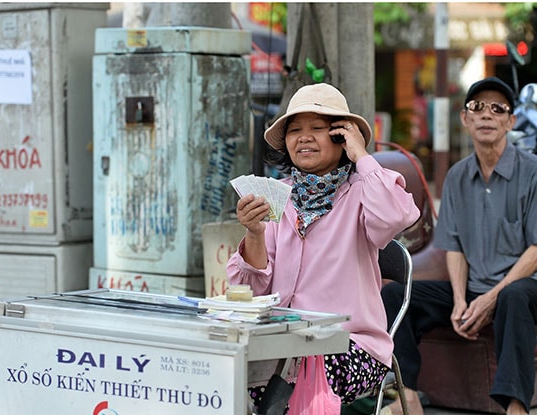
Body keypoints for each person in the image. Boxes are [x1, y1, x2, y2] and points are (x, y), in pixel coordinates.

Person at [226, 83, 420, 410]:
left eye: (317, 128)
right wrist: (255, 234)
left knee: (294, 379)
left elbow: (397, 215)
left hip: (351, 345)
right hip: (282, 343)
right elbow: (250, 294)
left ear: (340, 137)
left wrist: (361, 156)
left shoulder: (362, 192)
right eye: (295, 130)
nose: (304, 137)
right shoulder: (274, 196)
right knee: (225, 369)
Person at [381, 77, 537, 415]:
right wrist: (459, 300)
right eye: (477, 107)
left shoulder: (532, 172)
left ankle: (516, 407)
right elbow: (453, 247)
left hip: (524, 291)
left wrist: (489, 299)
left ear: (510, 122)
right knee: (395, 295)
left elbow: (536, 251)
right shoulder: (456, 176)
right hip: (474, 287)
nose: (486, 115)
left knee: (513, 295)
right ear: (465, 119)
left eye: (498, 109)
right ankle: (407, 393)